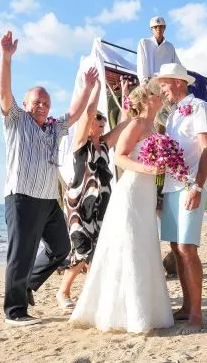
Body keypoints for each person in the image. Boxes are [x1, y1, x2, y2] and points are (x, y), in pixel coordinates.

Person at [0, 30, 97, 326]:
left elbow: (75, 113)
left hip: (48, 200)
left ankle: (27, 285)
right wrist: (6, 57)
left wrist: (89, 87)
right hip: (22, 197)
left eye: (46, 103)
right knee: (20, 255)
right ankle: (14, 312)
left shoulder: (53, 128)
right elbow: (4, 93)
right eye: (37, 102)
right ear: (26, 104)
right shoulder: (16, 121)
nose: (42, 106)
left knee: (62, 248)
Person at [70, 85, 173, 333]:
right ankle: (123, 313)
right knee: (130, 245)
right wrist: (150, 169)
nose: (159, 94)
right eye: (154, 92)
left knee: (145, 245)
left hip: (147, 194)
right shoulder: (135, 124)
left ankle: (146, 309)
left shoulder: (156, 128)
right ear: (146, 100)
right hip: (132, 192)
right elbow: (120, 158)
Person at [55, 77, 131, 309]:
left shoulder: (105, 145)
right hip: (79, 207)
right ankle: (63, 292)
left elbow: (125, 124)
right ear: (88, 125)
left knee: (97, 252)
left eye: (103, 120)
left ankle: (90, 296)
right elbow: (87, 113)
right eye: (98, 119)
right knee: (81, 248)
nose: (101, 123)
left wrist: (125, 95)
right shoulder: (80, 145)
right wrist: (96, 88)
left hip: (101, 207)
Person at [152, 63, 207, 334]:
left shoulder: (199, 107)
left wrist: (197, 188)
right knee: (176, 248)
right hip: (170, 188)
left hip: (190, 187)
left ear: (178, 82)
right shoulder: (174, 113)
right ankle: (187, 306)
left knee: (188, 249)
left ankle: (197, 316)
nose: (162, 90)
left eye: (164, 85)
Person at [137, 16, 181, 84]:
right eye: (155, 27)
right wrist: (144, 83)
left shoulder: (170, 46)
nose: (158, 29)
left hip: (166, 84)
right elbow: (141, 63)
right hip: (150, 83)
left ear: (164, 28)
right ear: (151, 29)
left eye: (161, 26)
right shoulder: (144, 42)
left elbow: (177, 65)